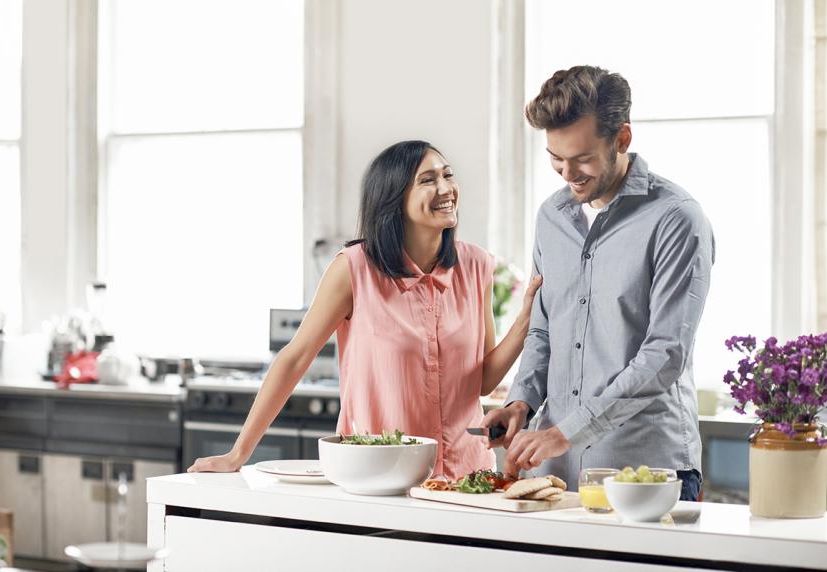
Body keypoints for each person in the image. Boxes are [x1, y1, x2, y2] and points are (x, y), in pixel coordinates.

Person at [188, 140, 542, 480]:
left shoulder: (476, 265)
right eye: (428, 180)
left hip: (465, 476)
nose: (446, 188)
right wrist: (238, 454)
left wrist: (526, 321)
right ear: (394, 198)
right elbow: (295, 358)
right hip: (379, 475)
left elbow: (481, 382)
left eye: (447, 175)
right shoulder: (354, 269)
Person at [481, 65, 714, 500]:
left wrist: (567, 431)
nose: (568, 173)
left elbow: (665, 354)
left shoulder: (677, 219)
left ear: (622, 139)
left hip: (646, 469)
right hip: (555, 469)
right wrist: (523, 401)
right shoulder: (551, 217)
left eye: (582, 158)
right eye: (555, 158)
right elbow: (543, 328)